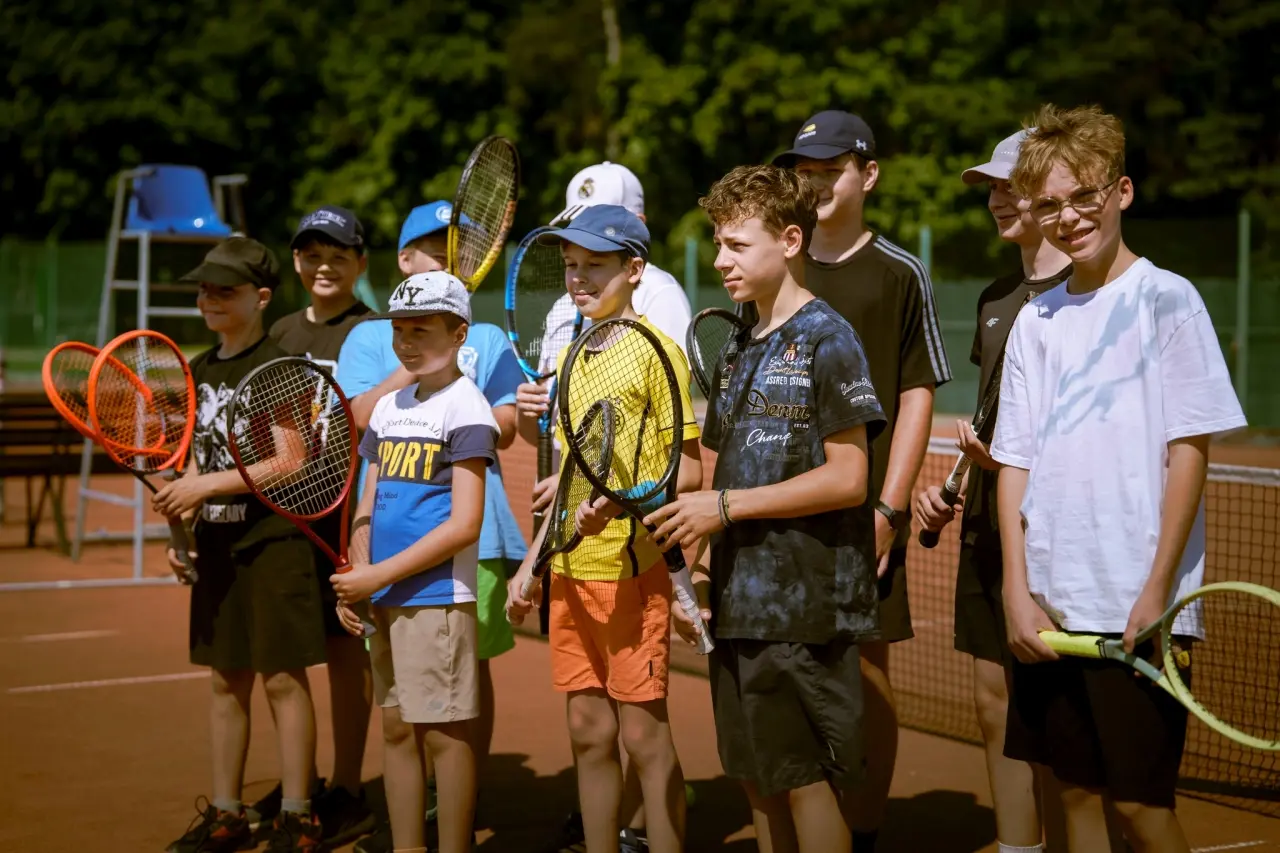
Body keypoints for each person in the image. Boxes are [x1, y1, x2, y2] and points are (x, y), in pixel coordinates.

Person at [992, 104, 1246, 853]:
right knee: (1073, 794)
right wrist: (1016, 589)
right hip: (1049, 605)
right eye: (1049, 205)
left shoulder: (1168, 299)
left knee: (1141, 807)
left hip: (1138, 607)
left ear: (1121, 191)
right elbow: (1015, 463)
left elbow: (1189, 452)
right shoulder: (1035, 320)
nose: (1068, 217)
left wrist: (1157, 588)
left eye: (1084, 196)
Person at [645, 163, 886, 853]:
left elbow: (849, 478)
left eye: (737, 245)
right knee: (757, 778)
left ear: (789, 240)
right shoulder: (738, 345)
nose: (720, 260)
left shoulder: (829, 338)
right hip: (738, 603)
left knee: (805, 781)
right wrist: (699, 570)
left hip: (804, 607)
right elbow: (723, 471)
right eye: (717, 244)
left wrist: (723, 508)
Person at [771, 110, 951, 851]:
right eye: (803, 171)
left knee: (865, 670)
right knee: (783, 670)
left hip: (863, 511)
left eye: (830, 170)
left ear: (867, 175)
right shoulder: (778, 264)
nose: (814, 182)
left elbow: (917, 392)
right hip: (780, 507)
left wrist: (889, 507)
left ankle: (865, 829)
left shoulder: (899, 272)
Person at [507, 204, 701, 853]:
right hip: (570, 572)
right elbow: (570, 479)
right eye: (571, 265)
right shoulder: (572, 356)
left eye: (595, 264)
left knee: (644, 738)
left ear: (634, 269)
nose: (578, 278)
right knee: (589, 732)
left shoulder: (659, 353)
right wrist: (532, 562)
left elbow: (690, 473)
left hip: (632, 574)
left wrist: (618, 504)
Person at [335, 201, 526, 853]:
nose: (408, 342)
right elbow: (371, 495)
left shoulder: (466, 406)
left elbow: (467, 522)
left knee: (444, 734)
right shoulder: (390, 405)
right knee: (395, 730)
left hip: (436, 597)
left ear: (459, 334)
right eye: (400, 330)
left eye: (423, 329)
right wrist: (361, 560)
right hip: (384, 593)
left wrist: (380, 575)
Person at [913, 129, 1072, 853]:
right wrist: (956, 483)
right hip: (984, 522)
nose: (998, 200)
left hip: (1055, 532)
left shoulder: (1088, 294)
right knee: (991, 701)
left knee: (1056, 718)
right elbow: (995, 415)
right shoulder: (995, 297)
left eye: (1012, 186)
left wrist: (1010, 463)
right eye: (993, 188)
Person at [156, 237, 326, 852]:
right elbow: (191, 461)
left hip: (274, 541)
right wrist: (180, 531)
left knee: (282, 678)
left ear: (261, 297)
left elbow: (291, 459)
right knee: (225, 680)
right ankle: (226, 812)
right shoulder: (199, 370)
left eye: (224, 290)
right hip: (218, 544)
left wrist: (205, 485)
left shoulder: (279, 365)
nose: (209, 299)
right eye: (204, 289)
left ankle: (299, 814)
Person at [245, 205, 378, 847]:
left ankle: (348, 786)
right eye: (312, 255)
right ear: (297, 261)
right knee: (288, 659)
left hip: (346, 515)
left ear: (360, 264)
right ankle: (303, 780)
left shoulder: (374, 332)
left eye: (338, 255)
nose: (325, 266)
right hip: (284, 521)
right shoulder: (278, 334)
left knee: (347, 654)